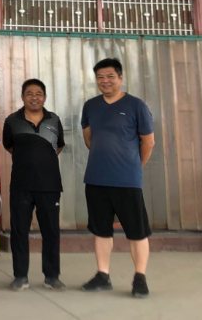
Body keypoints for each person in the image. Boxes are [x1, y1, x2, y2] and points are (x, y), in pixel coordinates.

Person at [80, 58, 155, 299]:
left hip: (127, 181)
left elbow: (148, 141)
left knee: (137, 231)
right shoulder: (90, 106)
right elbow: (89, 138)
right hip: (96, 179)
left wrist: (135, 165)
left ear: (121, 78)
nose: (105, 81)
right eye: (100, 77)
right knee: (101, 231)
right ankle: (103, 275)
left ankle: (140, 278)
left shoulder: (135, 105)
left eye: (110, 76)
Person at [2, 79, 66, 292]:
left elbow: (58, 146)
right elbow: (9, 146)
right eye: (29, 93)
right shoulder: (12, 121)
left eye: (39, 93)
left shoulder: (54, 120)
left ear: (44, 97)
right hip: (21, 185)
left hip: (50, 185)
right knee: (19, 231)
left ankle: (52, 276)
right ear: (22, 97)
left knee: (51, 231)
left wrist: (42, 161)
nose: (34, 97)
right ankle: (20, 276)